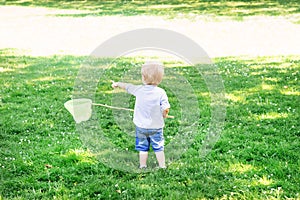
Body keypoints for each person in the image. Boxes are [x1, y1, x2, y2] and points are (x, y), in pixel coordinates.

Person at [112, 61, 170, 169]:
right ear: (160, 78)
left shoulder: (138, 89)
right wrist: (164, 113)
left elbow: (127, 86)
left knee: (143, 147)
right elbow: (165, 107)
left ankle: (143, 165)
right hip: (156, 126)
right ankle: (162, 165)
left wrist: (117, 84)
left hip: (141, 126)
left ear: (143, 77)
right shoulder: (161, 92)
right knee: (158, 147)